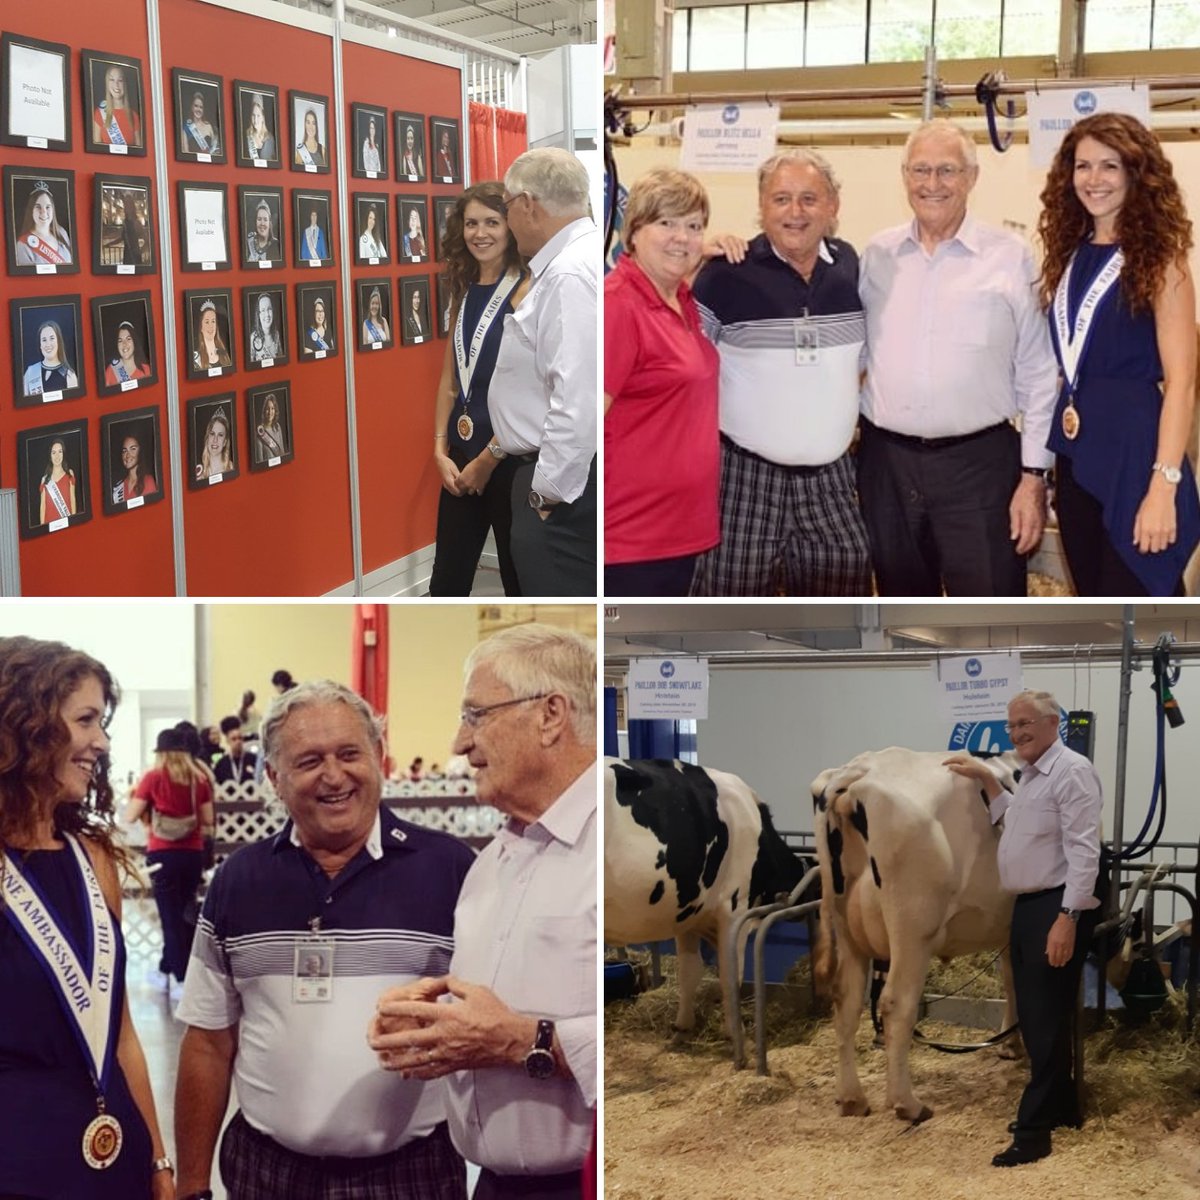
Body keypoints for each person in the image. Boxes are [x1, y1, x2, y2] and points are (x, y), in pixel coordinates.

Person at [173, 679, 476, 1200]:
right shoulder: (239, 881)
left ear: (379, 756)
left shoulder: (451, 870)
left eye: (349, 753)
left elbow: (487, 1021)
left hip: (411, 1173)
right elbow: (207, 1041)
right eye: (309, 760)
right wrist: (192, 1186)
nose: (334, 776)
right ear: (274, 777)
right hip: (266, 1173)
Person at [370, 625, 597, 1200]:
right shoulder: (488, 865)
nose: (458, 744)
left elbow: (652, 1040)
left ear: (550, 715)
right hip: (490, 1185)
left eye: (476, 715)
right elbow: (500, 1008)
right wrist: (434, 1029)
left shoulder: (617, 845)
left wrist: (522, 1041)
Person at [0, 636, 175, 1199]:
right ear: (26, 726)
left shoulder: (94, 858)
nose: (101, 742)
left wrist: (158, 1161)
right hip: (19, 1160)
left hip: (114, 1151)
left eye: (103, 723)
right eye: (85, 720)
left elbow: (120, 1032)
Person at [859, 119, 1059, 596]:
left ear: (972, 177)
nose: (932, 184)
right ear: (905, 175)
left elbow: (1038, 371)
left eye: (947, 170)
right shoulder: (876, 255)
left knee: (989, 617)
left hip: (981, 468)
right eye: (920, 170)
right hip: (886, 464)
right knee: (901, 614)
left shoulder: (1012, 257)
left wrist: (1034, 478)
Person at [687, 150, 870, 596]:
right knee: (729, 609)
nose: (795, 212)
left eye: (809, 198)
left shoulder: (851, 269)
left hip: (832, 481)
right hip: (744, 481)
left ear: (833, 207)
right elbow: (681, 366)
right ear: (762, 206)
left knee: (840, 614)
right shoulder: (724, 274)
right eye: (781, 198)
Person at [1037, 111, 1200, 596]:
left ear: (1136, 172)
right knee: (1093, 612)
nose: (1094, 180)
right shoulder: (1069, 253)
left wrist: (1163, 485)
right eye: (1082, 166)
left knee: (1143, 618)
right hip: (1077, 453)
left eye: (1109, 166)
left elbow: (1183, 384)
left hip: (1137, 458)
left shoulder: (1162, 260)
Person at [944, 689, 1102, 1167]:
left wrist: (1067, 918)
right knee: (1040, 1017)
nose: (1017, 733)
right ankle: (1063, 1110)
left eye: (1026, 723)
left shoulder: (1072, 772)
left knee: (1042, 1020)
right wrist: (989, 781)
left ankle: (1033, 1134)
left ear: (1055, 722)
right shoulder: (1033, 776)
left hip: (1055, 907)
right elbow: (1017, 822)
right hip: (1032, 906)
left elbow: (1084, 851)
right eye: (1012, 726)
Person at [605, 167, 719, 596]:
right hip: (632, 537)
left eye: (693, 226)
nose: (682, 237)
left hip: (679, 530)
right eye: (666, 223)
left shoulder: (680, 300)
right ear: (633, 232)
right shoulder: (619, 306)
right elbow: (581, 424)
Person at [491, 148, 599, 596]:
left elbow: (577, 396)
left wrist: (546, 493)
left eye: (508, 207)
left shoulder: (569, 274)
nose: (509, 221)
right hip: (564, 480)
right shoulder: (578, 259)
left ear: (528, 204)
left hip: (563, 491)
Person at [429, 183, 528, 597]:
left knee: (519, 585)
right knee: (446, 585)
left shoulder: (526, 291)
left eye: (492, 222)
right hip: (460, 458)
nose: (480, 233)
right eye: (471, 223)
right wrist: (438, 449)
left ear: (511, 228)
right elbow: (450, 381)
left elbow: (531, 392)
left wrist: (489, 458)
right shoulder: (464, 290)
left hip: (508, 461)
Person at [125, 727, 215, 1000]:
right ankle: (167, 969)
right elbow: (208, 819)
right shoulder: (199, 780)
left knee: (170, 917)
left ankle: (180, 978)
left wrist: (138, 802)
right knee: (185, 912)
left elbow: (130, 815)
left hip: (162, 855)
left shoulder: (153, 778)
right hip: (192, 854)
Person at [16, 182, 73, 268]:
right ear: (31, 210)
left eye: (48, 207)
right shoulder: (22, 245)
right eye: (38, 207)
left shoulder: (62, 233)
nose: (43, 212)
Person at [24, 320, 79, 397]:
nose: (48, 344)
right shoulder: (30, 373)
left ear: (58, 341)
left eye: (52, 338)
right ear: (40, 345)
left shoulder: (69, 375)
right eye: (44, 340)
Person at [92, 63, 141, 148]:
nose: (116, 85)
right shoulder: (99, 113)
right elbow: (96, 150)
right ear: (107, 84)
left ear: (125, 84)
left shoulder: (134, 116)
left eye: (120, 80)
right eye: (111, 80)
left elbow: (139, 150)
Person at [39, 438, 77, 525]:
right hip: (50, 524)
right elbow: (43, 506)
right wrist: (42, 527)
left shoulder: (70, 474)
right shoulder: (45, 479)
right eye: (54, 452)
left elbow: (72, 499)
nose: (57, 456)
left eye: (60, 451)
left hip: (66, 523)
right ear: (50, 456)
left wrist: (74, 523)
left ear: (63, 453)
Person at [113, 432, 159, 504]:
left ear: (140, 452)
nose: (127, 455)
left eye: (133, 449)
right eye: (124, 451)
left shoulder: (148, 481)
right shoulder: (118, 486)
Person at [105, 319, 152, 386]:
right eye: (120, 341)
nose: (124, 344)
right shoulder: (110, 370)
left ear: (134, 342)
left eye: (128, 339)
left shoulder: (146, 370)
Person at [214, 714, 256, 785]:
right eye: (234, 739)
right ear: (227, 741)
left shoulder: (253, 759)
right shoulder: (222, 764)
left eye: (240, 738)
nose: (238, 742)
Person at [191, 300, 232, 372]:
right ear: (201, 327)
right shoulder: (196, 359)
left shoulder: (225, 355)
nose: (211, 326)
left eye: (213, 321)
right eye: (207, 322)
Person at [195, 407, 233, 480]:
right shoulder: (199, 471)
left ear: (225, 442)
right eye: (212, 434)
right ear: (207, 438)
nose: (215, 440)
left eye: (220, 435)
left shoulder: (231, 468)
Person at [182, 89, 219, 156]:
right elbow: (186, 153)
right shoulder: (186, 128)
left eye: (201, 107)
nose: (198, 109)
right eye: (196, 106)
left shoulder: (209, 126)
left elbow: (214, 150)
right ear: (192, 107)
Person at [248, 292, 282, 363]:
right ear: (258, 315)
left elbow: (281, 361)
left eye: (269, 309)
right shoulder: (253, 339)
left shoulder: (276, 335)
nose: (267, 314)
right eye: (263, 310)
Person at [255, 392, 287, 462]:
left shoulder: (278, 427)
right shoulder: (260, 432)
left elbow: (282, 454)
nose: (270, 412)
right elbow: (260, 461)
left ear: (275, 410)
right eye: (267, 409)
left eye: (272, 408)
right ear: (264, 411)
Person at [244, 93, 275, 160]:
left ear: (263, 117)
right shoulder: (246, 136)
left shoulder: (270, 138)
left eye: (258, 116)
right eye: (253, 115)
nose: (255, 119)